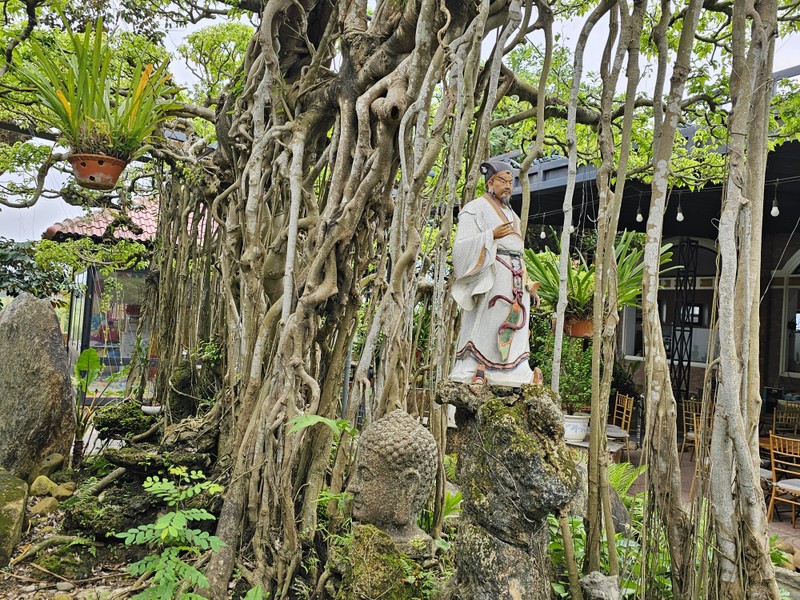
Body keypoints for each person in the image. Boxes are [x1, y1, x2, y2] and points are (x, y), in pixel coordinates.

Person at [449, 160, 541, 387]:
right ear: (491, 182)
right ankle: (478, 366)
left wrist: (528, 284)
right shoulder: (475, 208)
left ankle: (519, 371)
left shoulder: (512, 215)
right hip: (492, 272)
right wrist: (491, 235)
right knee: (491, 316)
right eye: (504, 181)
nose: (508, 187)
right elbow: (460, 246)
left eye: (511, 182)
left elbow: (519, 251)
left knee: (516, 321)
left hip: (516, 276)